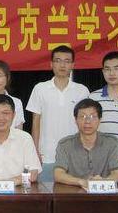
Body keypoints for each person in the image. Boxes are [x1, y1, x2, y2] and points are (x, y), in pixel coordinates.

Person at [26, 45, 89, 181]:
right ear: (51, 64)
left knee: (74, 192)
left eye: (67, 61)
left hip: (74, 154)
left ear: (73, 65)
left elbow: (86, 123)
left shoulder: (82, 90)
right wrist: (35, 151)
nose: (62, 65)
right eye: (58, 60)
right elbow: (36, 121)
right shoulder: (40, 88)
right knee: (45, 191)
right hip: (46, 155)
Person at [54, 98, 118, 189]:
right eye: (82, 116)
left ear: (100, 120)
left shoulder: (111, 143)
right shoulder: (65, 144)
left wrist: (102, 182)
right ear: (75, 120)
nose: (87, 121)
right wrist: (82, 182)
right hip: (73, 194)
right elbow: (58, 174)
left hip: (103, 194)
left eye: (93, 117)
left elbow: (117, 174)